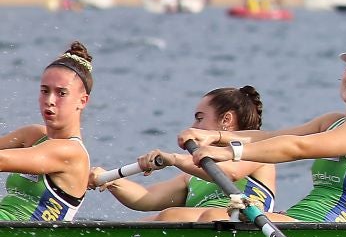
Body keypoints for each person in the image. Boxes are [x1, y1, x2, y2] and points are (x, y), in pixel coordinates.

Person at [179, 42, 346, 223]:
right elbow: (273, 137)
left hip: (331, 231)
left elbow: (296, 147)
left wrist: (230, 152)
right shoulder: (333, 121)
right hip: (302, 219)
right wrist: (216, 136)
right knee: (213, 217)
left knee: (212, 218)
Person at [94, 86, 277, 222]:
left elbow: (230, 173)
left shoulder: (258, 151)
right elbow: (146, 197)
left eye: (200, 118)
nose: (193, 127)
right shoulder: (191, 176)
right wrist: (112, 180)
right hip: (204, 233)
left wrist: (174, 159)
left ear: (226, 120)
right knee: (140, 226)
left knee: (174, 216)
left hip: (242, 231)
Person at [0, 42, 94, 221]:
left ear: (82, 101)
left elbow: (1, 160)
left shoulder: (71, 152)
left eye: (62, 93)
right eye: (45, 91)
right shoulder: (33, 135)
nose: (50, 100)